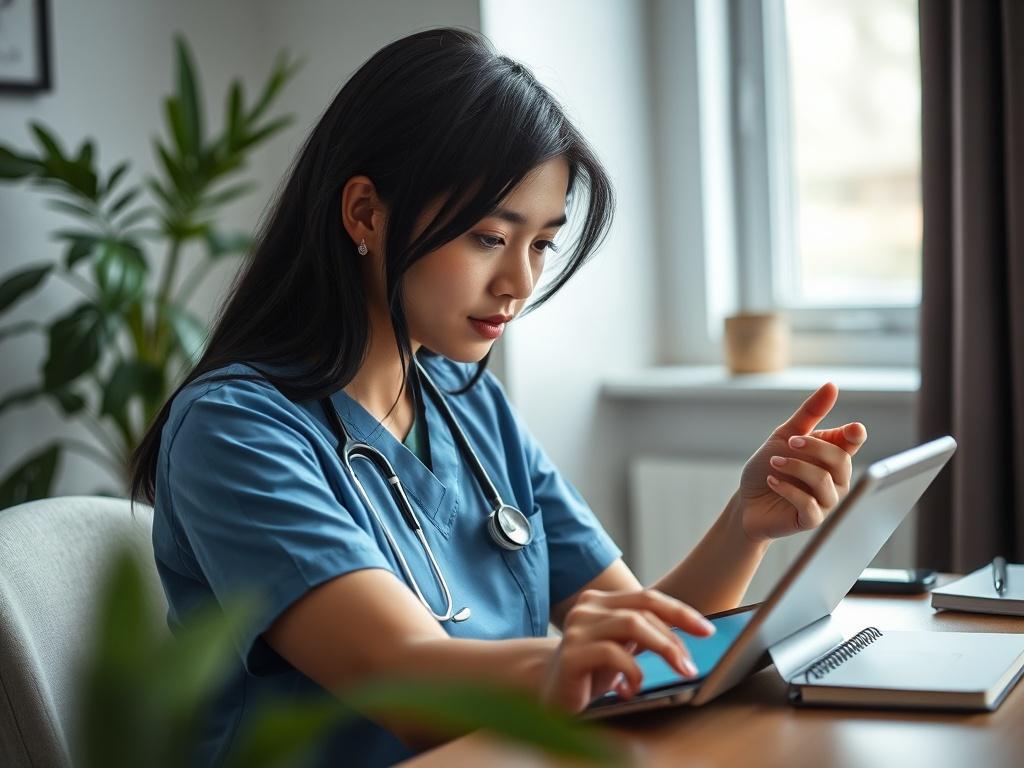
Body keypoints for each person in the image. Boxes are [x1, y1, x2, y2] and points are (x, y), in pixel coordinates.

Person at [130, 27, 867, 768]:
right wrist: (559, 667)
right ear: (364, 214)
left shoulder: (467, 401)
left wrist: (747, 522)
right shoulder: (236, 431)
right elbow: (403, 682)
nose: (519, 282)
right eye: (488, 237)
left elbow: (645, 649)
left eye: (542, 243)